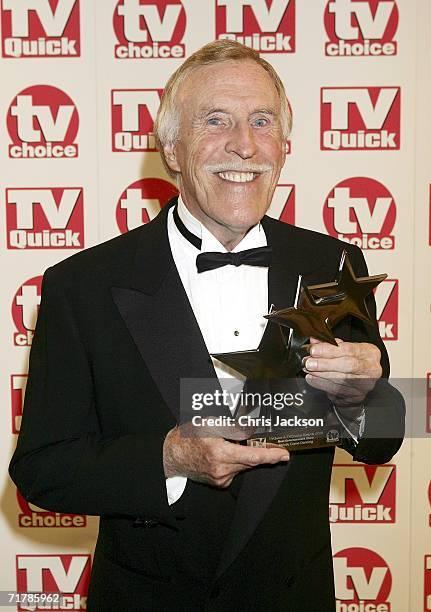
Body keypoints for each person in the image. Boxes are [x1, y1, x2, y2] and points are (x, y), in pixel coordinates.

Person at [9, 40, 404, 611]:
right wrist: (169, 459)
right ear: (171, 148)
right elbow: (44, 470)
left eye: (261, 121)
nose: (243, 145)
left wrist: (365, 394)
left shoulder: (333, 264)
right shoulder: (83, 284)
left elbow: (383, 438)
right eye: (215, 120)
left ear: (285, 147)